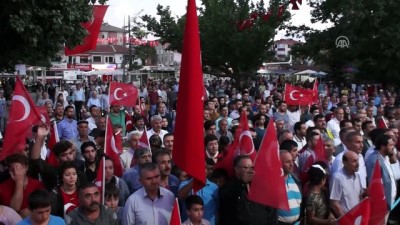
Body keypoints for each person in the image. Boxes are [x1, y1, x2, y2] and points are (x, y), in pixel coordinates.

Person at [219, 155, 277, 225]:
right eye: (246, 167)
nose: (250, 171)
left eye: (251, 167)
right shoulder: (229, 186)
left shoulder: (258, 186)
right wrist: (242, 182)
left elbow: (269, 209)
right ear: (236, 169)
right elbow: (227, 200)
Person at [329, 151, 364, 217]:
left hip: (357, 218)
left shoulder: (357, 176)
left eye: (357, 160)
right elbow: (334, 203)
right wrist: (345, 220)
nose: (358, 164)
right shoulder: (337, 178)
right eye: (354, 161)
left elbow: (360, 196)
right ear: (344, 162)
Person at [277, 150, 302, 225]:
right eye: (288, 162)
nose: (292, 164)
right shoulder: (273, 182)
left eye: (292, 161)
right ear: (279, 163)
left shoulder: (296, 179)